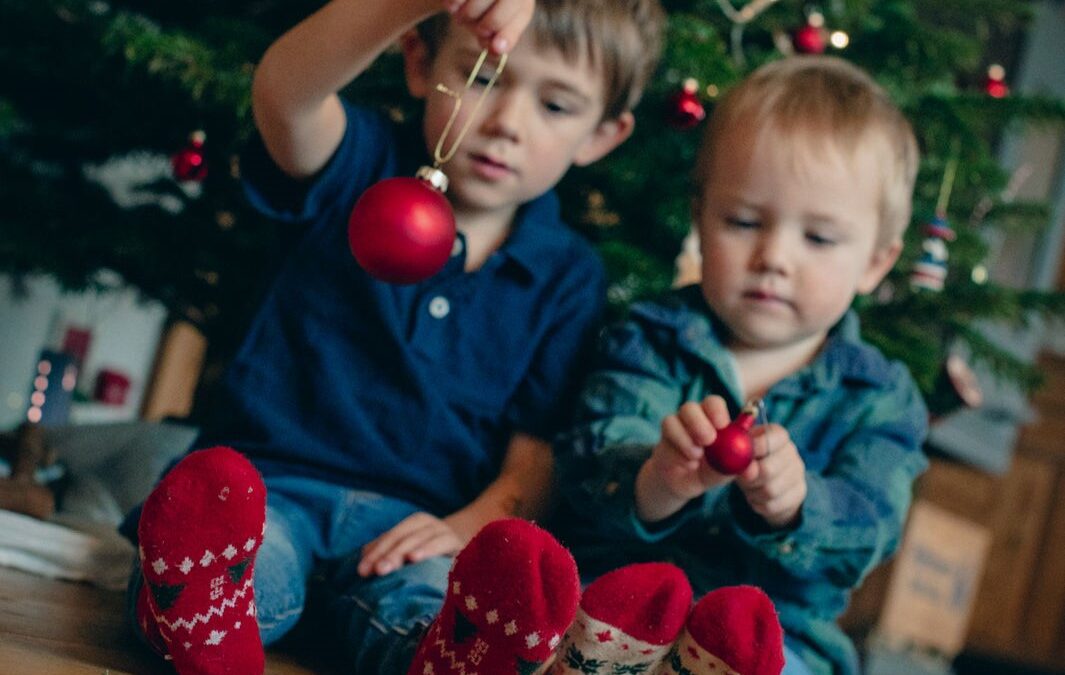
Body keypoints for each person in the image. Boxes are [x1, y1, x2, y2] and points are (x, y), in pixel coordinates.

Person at [121, 0, 665, 672]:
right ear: (418, 63)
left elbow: (534, 451)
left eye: (555, 107)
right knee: (240, 568)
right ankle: (201, 621)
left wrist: (469, 525)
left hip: (416, 530)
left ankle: (455, 658)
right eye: (480, 78)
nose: (506, 124)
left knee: (429, 607)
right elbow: (285, 94)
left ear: (602, 135)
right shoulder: (357, 165)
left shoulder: (569, 275)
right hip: (268, 492)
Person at [552, 55, 929, 675]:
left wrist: (794, 505)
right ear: (700, 219)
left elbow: (869, 531)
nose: (774, 256)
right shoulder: (647, 340)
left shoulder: (880, 395)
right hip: (619, 606)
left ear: (875, 263)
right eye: (744, 221)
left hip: (782, 638)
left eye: (820, 238)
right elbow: (590, 463)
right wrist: (660, 480)